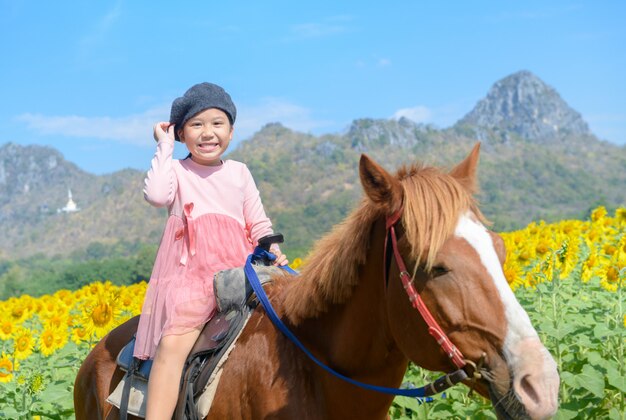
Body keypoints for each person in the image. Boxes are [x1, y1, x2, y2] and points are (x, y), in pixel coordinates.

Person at [133, 82, 288, 419]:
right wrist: (163, 147)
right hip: (192, 282)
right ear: (181, 133)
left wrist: (273, 248)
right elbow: (157, 196)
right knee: (172, 349)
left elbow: (258, 224)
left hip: (240, 274)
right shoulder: (175, 170)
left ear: (231, 131)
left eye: (217, 123)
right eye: (196, 125)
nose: (208, 133)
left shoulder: (239, 172)